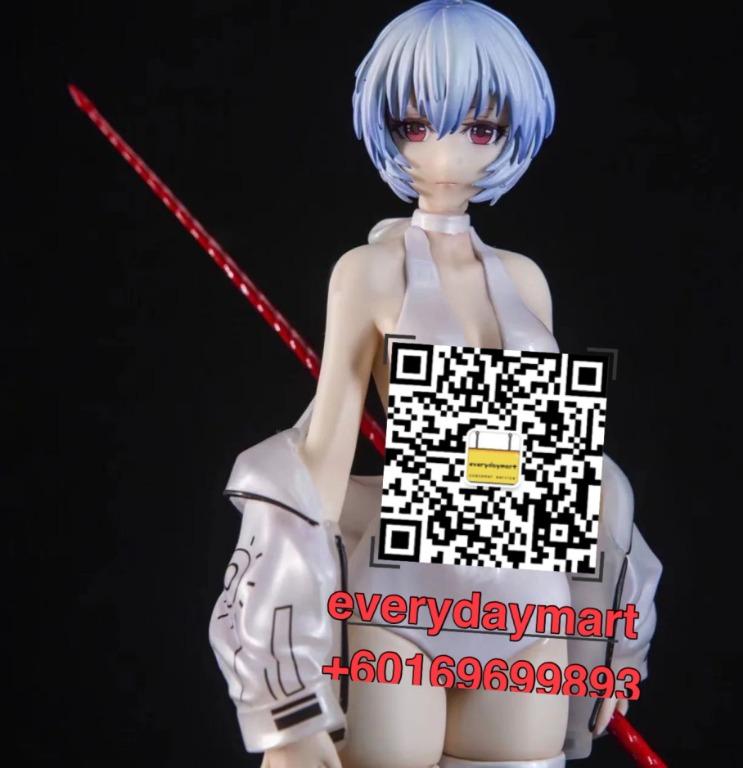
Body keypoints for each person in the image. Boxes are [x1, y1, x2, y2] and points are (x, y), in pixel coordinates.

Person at [209, 2, 663, 767]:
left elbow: (556, 461)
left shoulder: (525, 281)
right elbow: (320, 463)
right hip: (403, 601)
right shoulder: (367, 274)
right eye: (415, 126)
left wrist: (612, 628)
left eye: (478, 128)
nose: (444, 153)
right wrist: (285, 693)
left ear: (511, 130)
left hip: (528, 610)